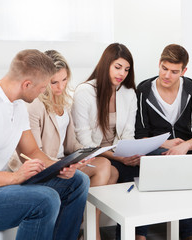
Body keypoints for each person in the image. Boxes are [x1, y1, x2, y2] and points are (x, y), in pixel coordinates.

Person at [0, 49, 90, 240]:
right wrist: (14, 178)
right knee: (45, 200)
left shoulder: (17, 106)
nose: (43, 92)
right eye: (42, 87)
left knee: (77, 181)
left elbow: (31, 151)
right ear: (27, 84)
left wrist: (63, 167)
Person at [8, 50, 115, 240]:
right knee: (92, 174)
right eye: (54, 82)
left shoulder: (65, 101)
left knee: (109, 168)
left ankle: (88, 227)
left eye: (64, 80)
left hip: (60, 160)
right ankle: (90, 233)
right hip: (41, 165)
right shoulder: (34, 105)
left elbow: (71, 144)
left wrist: (86, 154)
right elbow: (34, 151)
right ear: (43, 80)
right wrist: (63, 164)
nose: (60, 87)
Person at [135, 44, 192, 240]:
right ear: (159, 64)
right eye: (164, 68)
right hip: (157, 149)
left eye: (174, 71)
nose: (167, 75)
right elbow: (140, 136)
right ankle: (189, 233)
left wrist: (185, 145)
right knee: (157, 160)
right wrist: (165, 144)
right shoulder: (144, 91)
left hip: (186, 147)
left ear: (183, 71)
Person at [71, 42, 140, 239]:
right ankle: (91, 231)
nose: (122, 73)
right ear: (106, 64)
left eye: (126, 69)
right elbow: (84, 142)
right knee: (108, 169)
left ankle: (86, 228)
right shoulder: (85, 92)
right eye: (117, 67)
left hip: (115, 156)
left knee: (118, 170)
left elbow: (128, 134)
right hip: (88, 155)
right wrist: (119, 158)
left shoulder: (128, 93)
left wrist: (130, 153)